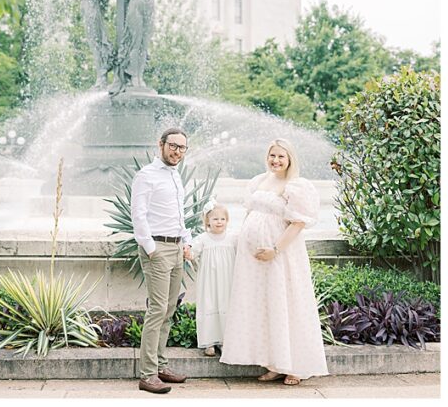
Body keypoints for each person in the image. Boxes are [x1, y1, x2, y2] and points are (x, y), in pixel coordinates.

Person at [220, 139, 329, 385]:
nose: (276, 161)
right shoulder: (259, 181)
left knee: (286, 303)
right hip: (254, 260)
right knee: (265, 306)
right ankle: (274, 362)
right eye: (272, 155)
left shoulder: (296, 185)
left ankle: (295, 366)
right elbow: (251, 213)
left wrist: (275, 249)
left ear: (290, 158)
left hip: (281, 255)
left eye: (281, 156)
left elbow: (298, 224)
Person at [129, 127, 193, 394]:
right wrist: (150, 247)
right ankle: (147, 375)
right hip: (158, 250)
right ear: (161, 144)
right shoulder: (146, 175)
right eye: (173, 146)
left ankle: (161, 366)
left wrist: (186, 241)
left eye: (182, 148)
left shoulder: (176, 176)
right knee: (157, 312)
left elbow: (179, 215)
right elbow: (138, 214)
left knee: (168, 311)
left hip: (177, 248)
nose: (177, 151)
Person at [190, 202, 236, 357]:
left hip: (227, 278)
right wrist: (187, 252)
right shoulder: (203, 239)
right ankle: (209, 342)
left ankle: (224, 340)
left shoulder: (232, 238)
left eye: (223, 219)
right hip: (208, 279)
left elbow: (242, 253)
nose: (219, 222)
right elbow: (192, 253)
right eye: (215, 219)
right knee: (209, 304)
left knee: (226, 303)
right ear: (207, 221)